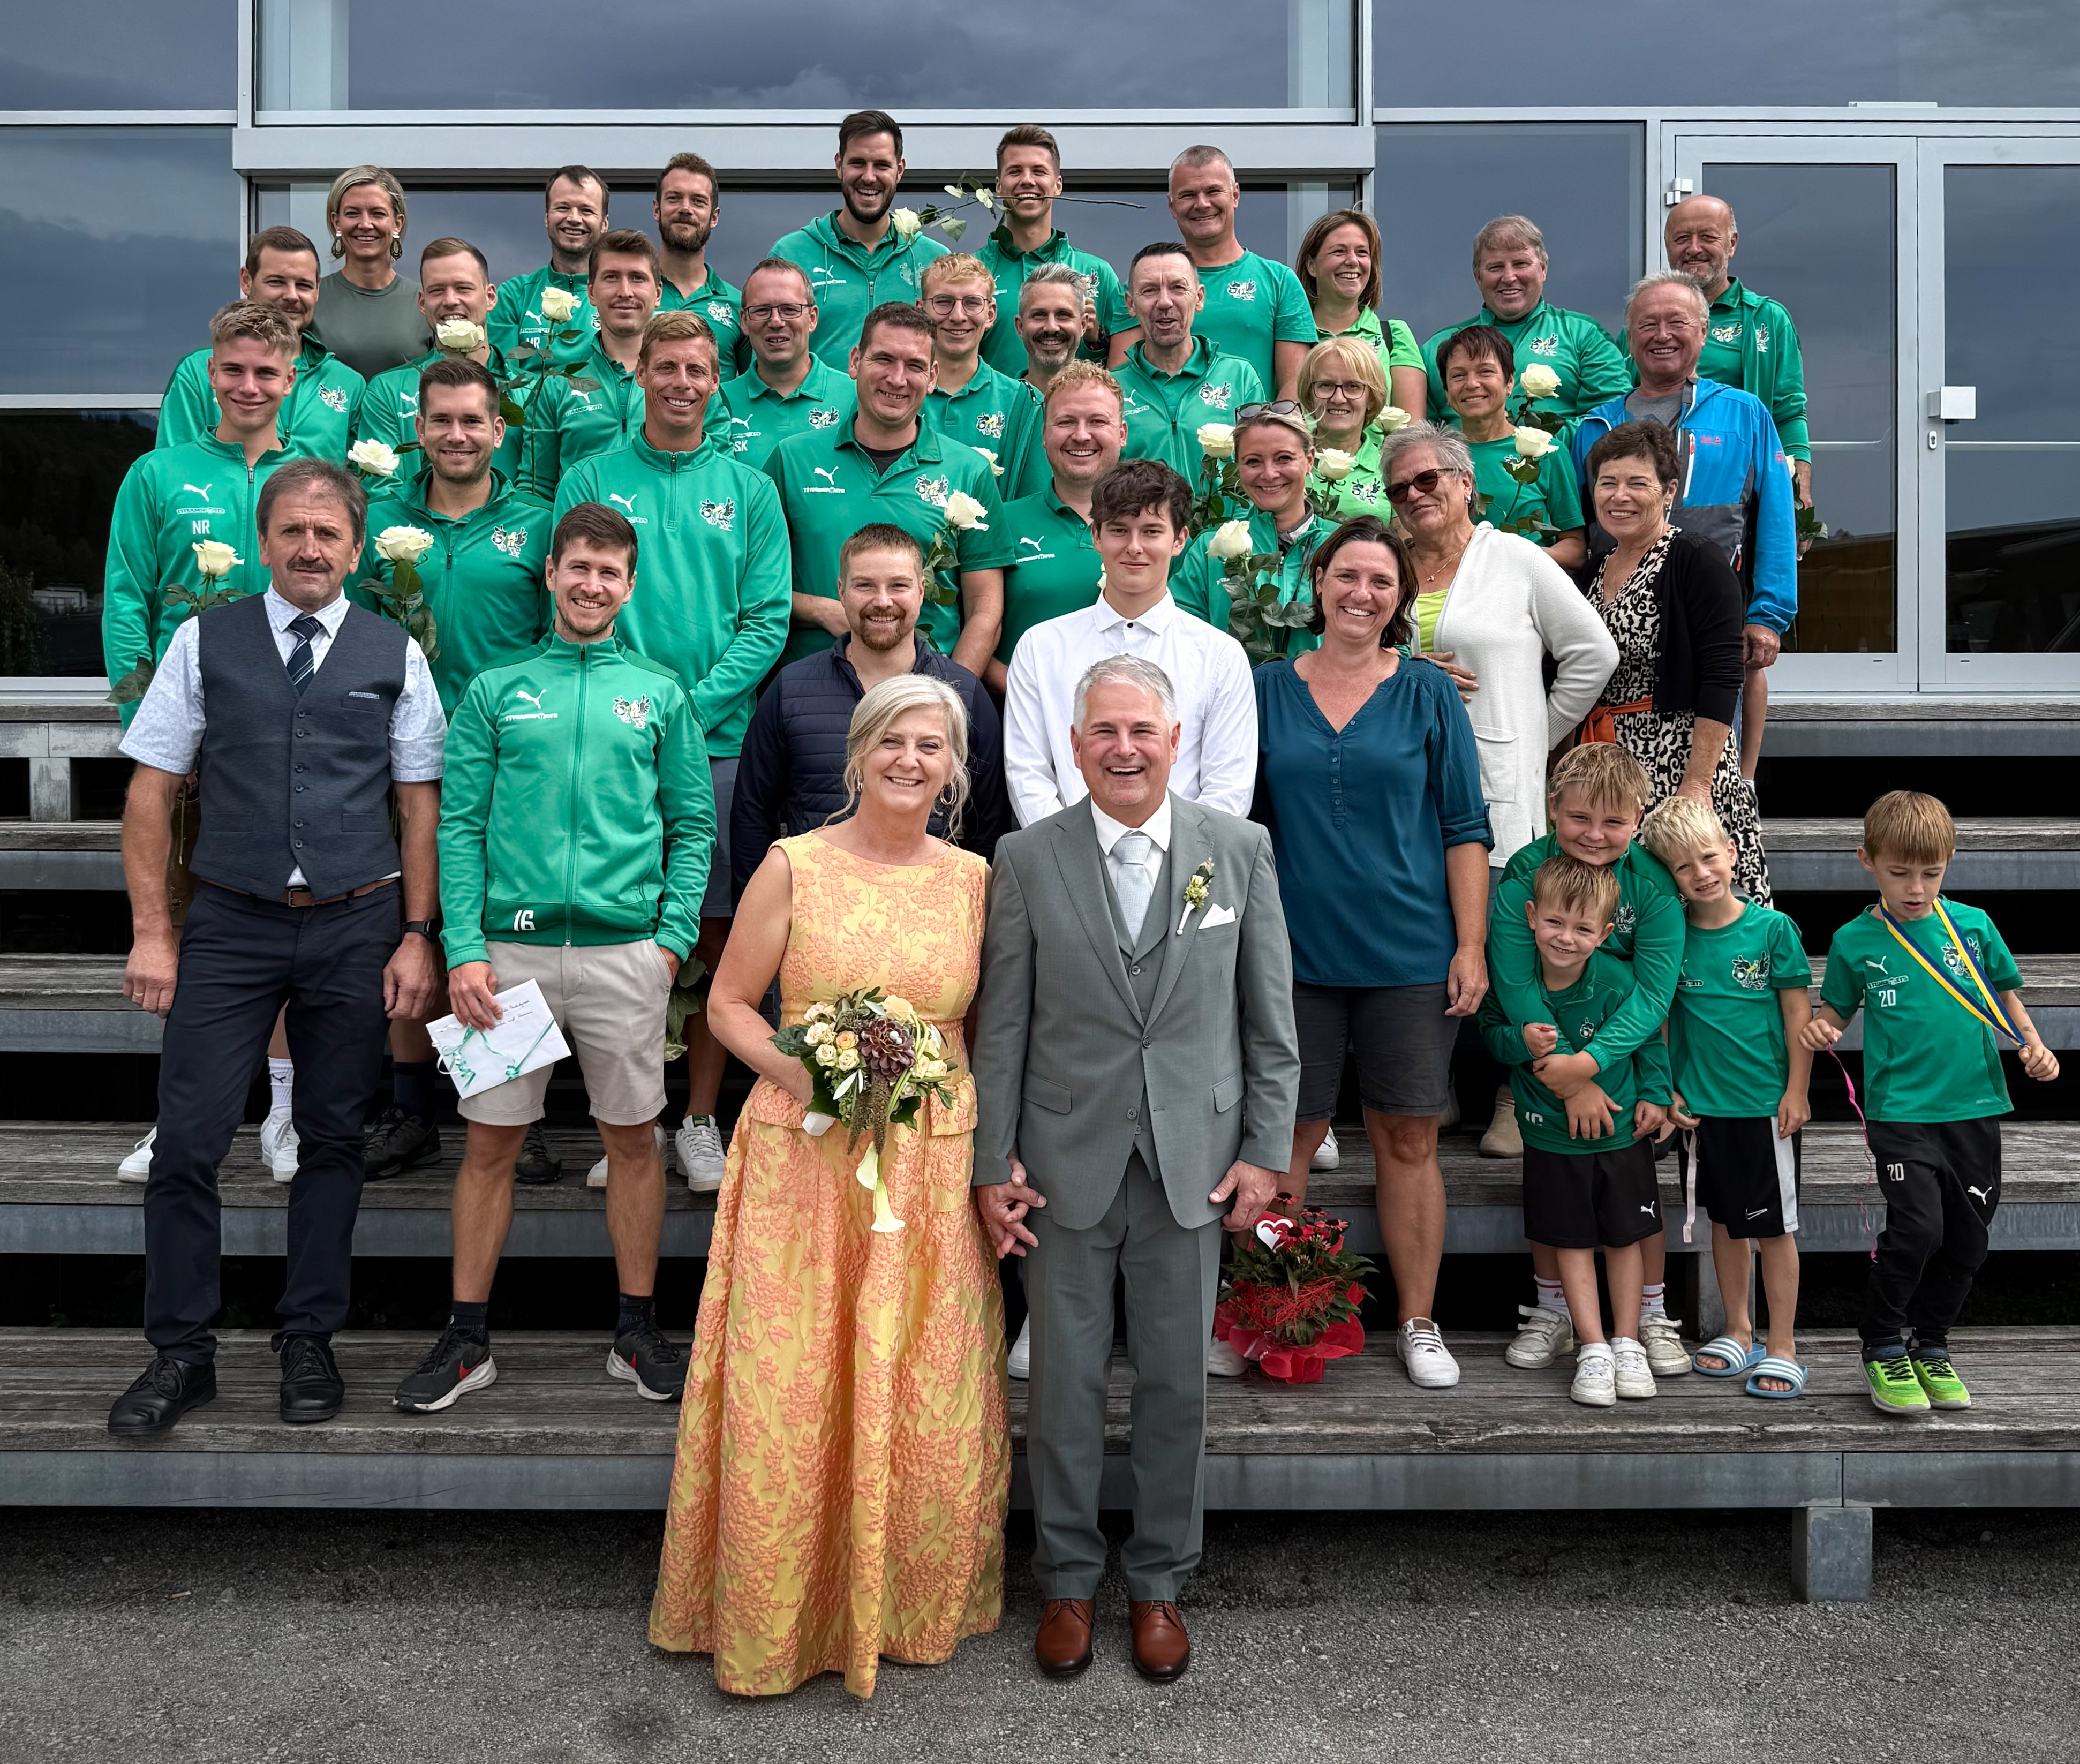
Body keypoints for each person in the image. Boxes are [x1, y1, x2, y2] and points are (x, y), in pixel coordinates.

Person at [651, 676, 1008, 1699]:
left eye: (930, 745)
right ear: (857, 755)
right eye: (892, 740)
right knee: (797, 1375)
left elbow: (979, 1025)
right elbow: (725, 1006)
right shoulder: (792, 864)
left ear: (953, 769)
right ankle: (779, 1610)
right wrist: (810, 1073)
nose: (910, 758)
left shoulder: (975, 878)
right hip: (805, 1148)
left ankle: (903, 1599)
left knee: (919, 1366)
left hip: (929, 1152)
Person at [971, 653, 1299, 1685]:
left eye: (1141, 731)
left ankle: (1158, 1579)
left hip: (1192, 1164)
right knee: (1062, 1383)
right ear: (1074, 747)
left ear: (1171, 741)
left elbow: (1270, 1025)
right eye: (1103, 731)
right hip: (1063, 1162)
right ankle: (1066, 1577)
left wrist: (1260, 1149)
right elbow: (1005, 1025)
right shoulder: (1025, 857)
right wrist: (992, 1159)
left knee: (1172, 1386)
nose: (1122, 747)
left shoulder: (1235, 847)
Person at [104, 457, 445, 1439]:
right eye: (292, 530)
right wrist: (153, 933)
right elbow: (151, 792)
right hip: (230, 920)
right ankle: (180, 1352)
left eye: (327, 533)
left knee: (335, 1139)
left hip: (354, 921)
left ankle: (309, 1336)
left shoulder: (395, 651)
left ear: (353, 547)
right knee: (189, 1141)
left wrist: (418, 934)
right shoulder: (203, 640)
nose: (309, 547)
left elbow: (418, 804)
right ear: (263, 543)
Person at [393, 500, 712, 1415]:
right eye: (577, 566)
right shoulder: (497, 687)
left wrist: (670, 942)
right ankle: (465, 1339)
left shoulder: (658, 691)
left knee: (633, 1141)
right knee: (489, 1143)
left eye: (608, 571)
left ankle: (636, 1331)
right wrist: (462, 948)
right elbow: (457, 825)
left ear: (628, 584)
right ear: (550, 572)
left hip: (624, 956)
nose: (590, 583)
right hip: (506, 957)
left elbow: (692, 823)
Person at [556, 310, 792, 1191]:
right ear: (641, 375)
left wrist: (678, 709)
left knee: (713, 933)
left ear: (714, 380)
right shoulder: (590, 477)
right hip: (606, 747)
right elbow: (576, 599)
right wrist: (630, 713)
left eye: (699, 368)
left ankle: (698, 1117)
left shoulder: (748, 487)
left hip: (716, 744)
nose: (684, 382)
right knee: (613, 929)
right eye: (668, 367)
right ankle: (628, 1118)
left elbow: (765, 619)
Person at [1254, 516, 1491, 1389]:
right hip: (1292, 957)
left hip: (1408, 953)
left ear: (1401, 599)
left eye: (1380, 582)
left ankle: (1417, 1320)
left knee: (1406, 1137)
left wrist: (1468, 945)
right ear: (1316, 583)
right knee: (1285, 1139)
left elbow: (1464, 827)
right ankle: (1268, 1308)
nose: (1360, 593)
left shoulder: (1427, 694)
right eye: (1346, 575)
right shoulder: (1264, 688)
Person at [106, 300, 303, 1183]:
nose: (250, 385)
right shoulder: (157, 473)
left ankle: (285, 1109)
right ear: (209, 375)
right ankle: (179, 1115)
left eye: (267, 371)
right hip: (193, 737)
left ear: (290, 378)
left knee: (290, 919)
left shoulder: (314, 475)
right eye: (234, 369)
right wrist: (143, 728)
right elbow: (124, 601)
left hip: (291, 733)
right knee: (187, 924)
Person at [353, 356, 554, 1182]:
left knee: (501, 929)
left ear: (499, 430)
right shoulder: (378, 518)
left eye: (474, 420)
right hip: (396, 756)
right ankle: (412, 1109)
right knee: (411, 922)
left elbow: (558, 634)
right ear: (420, 429)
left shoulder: (538, 522)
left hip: (505, 757)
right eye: (442, 420)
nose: (459, 435)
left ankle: (514, 1106)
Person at [1803, 791, 2061, 1418]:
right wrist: (1822, 1027)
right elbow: (1835, 1009)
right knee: (1918, 1227)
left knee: (1968, 1241)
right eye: (1898, 873)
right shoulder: (1853, 939)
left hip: (1973, 1107)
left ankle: (1932, 1344)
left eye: (1930, 872)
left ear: (1947, 862)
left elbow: (2003, 995)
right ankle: (1883, 1343)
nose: (1914, 887)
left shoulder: (1971, 925)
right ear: (1866, 860)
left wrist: (2033, 1046)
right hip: (1900, 1112)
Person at [1485, 745, 1689, 1381]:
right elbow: (1516, 987)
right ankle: (1556, 1313)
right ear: (1552, 811)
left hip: (1624, 1059)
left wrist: (1594, 1066)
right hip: (1547, 1069)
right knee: (1557, 1193)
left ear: (1637, 818)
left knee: (1632, 1195)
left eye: (1612, 822)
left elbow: (1654, 994)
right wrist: (1568, 1080)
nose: (1594, 836)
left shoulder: (1651, 884)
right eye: (1578, 819)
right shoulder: (1524, 874)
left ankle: (1646, 1318)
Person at [1572, 273, 1796, 782]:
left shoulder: (1745, 415)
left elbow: (1777, 521)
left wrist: (1768, 614)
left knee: (1707, 782)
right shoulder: (1593, 429)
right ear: (1629, 340)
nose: (1662, 334)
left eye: (1677, 322)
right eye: (1647, 324)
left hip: (1711, 635)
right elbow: (1580, 531)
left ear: (1703, 331)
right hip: (1620, 641)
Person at [1380, 421, 1616, 869]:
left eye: (1428, 479)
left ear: (1466, 482)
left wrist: (1538, 732)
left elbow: (1595, 653)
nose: (1414, 494)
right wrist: (1401, 668)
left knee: (1492, 927)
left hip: (1493, 783)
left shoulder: (1516, 558)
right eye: (1399, 489)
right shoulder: (1387, 567)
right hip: (1403, 784)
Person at [1638, 796, 1812, 1398]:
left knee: (1773, 1228)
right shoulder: (1673, 939)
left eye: (1708, 857)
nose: (1701, 873)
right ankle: (1738, 1331)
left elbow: (1796, 1012)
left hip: (1764, 1108)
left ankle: (1783, 1343)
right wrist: (1665, 1090)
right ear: (1670, 878)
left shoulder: (1772, 930)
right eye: (1683, 867)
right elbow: (1661, 1023)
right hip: (1701, 1111)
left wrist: (1796, 1089)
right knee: (1724, 1222)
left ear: (1731, 852)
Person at [733, 522, 1012, 894]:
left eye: (898, 586)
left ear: (921, 591)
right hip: (815, 908)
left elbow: (989, 826)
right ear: (841, 591)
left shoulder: (964, 694)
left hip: (930, 906)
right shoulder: (791, 689)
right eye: (865, 585)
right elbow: (752, 816)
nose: (883, 601)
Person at [1578, 419, 1770, 907]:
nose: (1619, 496)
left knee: (1704, 913)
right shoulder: (1595, 569)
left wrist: (1697, 785)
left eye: (1637, 483)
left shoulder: (1696, 559)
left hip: (1682, 761)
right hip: (1616, 769)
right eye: (1608, 483)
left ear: (1669, 491)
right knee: (1635, 918)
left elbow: (1723, 674)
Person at [1004, 459, 1255, 828]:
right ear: (1096, 537)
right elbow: (1028, 774)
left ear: (1180, 539)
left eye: (1152, 531)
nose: (1134, 547)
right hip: (1067, 865)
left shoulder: (1221, 656)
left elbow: (1228, 787)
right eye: (1120, 530)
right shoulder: (1040, 648)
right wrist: (1072, 857)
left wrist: (1179, 865)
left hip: (1185, 871)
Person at [765, 301, 1009, 675]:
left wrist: (948, 696)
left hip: (923, 699)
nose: (897, 379)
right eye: (883, 360)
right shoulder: (792, 460)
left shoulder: (969, 470)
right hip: (813, 692)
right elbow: (753, 587)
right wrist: (819, 609)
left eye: (914, 366)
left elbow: (986, 610)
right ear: (854, 362)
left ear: (932, 377)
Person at [1117, 147, 1311, 400]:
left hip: (1252, 435)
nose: (1202, 204)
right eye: (1188, 195)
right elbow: (1122, 386)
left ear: (1235, 195)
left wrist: (1270, 439)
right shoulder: (1144, 288)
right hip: (1162, 436)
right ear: (1172, 206)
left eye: (1213, 191)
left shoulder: (1280, 282)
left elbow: (1295, 387)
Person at [157, 227, 365, 461]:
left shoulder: (348, 383)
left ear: (317, 289)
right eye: (276, 282)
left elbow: (360, 486)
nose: (291, 296)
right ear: (246, 281)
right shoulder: (196, 374)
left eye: (304, 285)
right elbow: (172, 472)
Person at [1661, 195, 1812, 512]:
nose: (1694, 248)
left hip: (1739, 489)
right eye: (1682, 239)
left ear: (1732, 244)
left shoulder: (1768, 319)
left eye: (1708, 237)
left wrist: (1798, 496)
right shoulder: (1648, 319)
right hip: (1660, 486)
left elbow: (1788, 413)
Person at [770, 110, 949, 367]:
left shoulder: (934, 260)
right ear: (839, 165)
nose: (869, 176)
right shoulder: (791, 255)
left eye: (881, 165)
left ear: (899, 170)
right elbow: (768, 360)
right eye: (857, 163)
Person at [1421, 215, 1630, 432]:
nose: (1509, 277)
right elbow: (1421, 436)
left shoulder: (1583, 335)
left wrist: (1534, 447)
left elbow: (1613, 418)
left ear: (1543, 269)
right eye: (1495, 268)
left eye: (1521, 264)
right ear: (1478, 277)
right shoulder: (1437, 348)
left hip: (1559, 464)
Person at [993, 361, 1123, 690]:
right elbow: (976, 634)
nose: (1081, 435)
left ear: (1122, 433)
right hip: (1023, 721)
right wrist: (1037, 702)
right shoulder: (1001, 522)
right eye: (1066, 422)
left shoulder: (1151, 528)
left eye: (1097, 422)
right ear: (1044, 435)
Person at [354, 238, 524, 481]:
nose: (451, 300)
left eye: (463, 288)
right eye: (437, 291)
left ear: (490, 298)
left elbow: (538, 488)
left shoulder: (531, 391)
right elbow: (381, 490)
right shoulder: (388, 391)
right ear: (423, 303)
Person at [1173, 401, 1330, 659]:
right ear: (1237, 466)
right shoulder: (1210, 547)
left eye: (1284, 459)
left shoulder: (1342, 544)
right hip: (1227, 697)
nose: (1269, 474)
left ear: (1309, 460)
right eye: (1253, 461)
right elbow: (1179, 638)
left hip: (1320, 697)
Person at [976, 124, 1131, 377]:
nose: (1028, 180)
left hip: (1076, 414)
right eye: (1015, 171)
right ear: (999, 186)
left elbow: (1123, 373)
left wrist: (1095, 340)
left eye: (1039, 171)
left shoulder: (1098, 273)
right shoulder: (974, 273)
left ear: (1057, 185)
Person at [522, 229, 661, 501]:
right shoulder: (555, 388)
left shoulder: (686, 384)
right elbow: (535, 492)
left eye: (637, 278)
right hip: (581, 541)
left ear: (658, 293)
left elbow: (717, 475)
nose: (625, 292)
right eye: (611, 278)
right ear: (591, 293)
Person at [1437, 326, 1587, 570]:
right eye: (1458, 376)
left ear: (1509, 382)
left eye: (1486, 372)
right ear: (1446, 392)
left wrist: (1521, 557)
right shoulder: (1435, 456)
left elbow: (1575, 548)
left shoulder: (1547, 451)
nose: (1472, 384)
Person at [1112, 243, 1264, 481]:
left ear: (1199, 298)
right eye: (1150, 290)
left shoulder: (1240, 377)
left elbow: (1262, 468)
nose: (1164, 302)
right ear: (1131, 305)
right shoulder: (1112, 389)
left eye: (1177, 288)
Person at [706, 257, 857, 471]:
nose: (776, 321)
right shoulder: (717, 402)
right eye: (761, 310)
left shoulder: (855, 397)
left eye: (789, 309)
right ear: (744, 322)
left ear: (812, 318)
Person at [920, 253, 1048, 499]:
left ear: (990, 314)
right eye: (943, 302)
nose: (958, 316)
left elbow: (1032, 504)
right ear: (921, 310)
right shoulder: (897, 393)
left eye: (972, 302)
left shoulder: (1023, 404)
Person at [1294, 207, 1427, 419]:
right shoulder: (1290, 335)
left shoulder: (1394, 336)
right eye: (1339, 251)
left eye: (1362, 252)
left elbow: (1412, 431)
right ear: (1311, 265)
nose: (1353, 261)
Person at [307, 166, 432, 380]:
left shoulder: (425, 303)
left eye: (378, 214)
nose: (365, 224)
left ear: (397, 224)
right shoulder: (310, 299)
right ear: (336, 222)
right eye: (353, 213)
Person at [486, 166, 609, 372]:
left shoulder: (619, 296)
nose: (574, 218)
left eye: (586, 210)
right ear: (546, 218)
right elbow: (502, 378)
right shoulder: (513, 296)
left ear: (604, 223)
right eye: (563, 208)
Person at [653, 151, 746, 372]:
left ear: (714, 217)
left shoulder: (739, 306)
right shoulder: (631, 295)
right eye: (674, 198)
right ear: (657, 209)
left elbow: (751, 389)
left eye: (698, 201)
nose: (686, 209)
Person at [1297, 335, 1397, 520]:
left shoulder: (1394, 465)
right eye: (1326, 385)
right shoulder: (1288, 460)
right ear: (1309, 395)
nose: (1338, 399)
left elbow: (1406, 541)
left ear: (1372, 398)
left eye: (1353, 386)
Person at [1012, 265, 1092, 398]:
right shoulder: (1000, 404)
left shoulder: (1106, 401)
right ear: (1020, 326)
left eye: (1063, 315)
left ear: (1083, 325)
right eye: (1039, 315)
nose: (1051, 327)